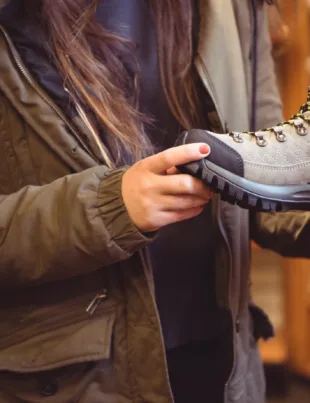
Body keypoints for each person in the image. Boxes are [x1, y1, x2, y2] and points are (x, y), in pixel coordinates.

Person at [0, 1, 304, 402]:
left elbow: (267, 173)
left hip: (225, 366)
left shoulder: (228, 7)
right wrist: (107, 208)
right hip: (70, 381)